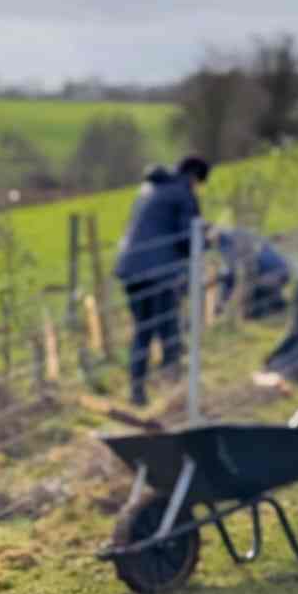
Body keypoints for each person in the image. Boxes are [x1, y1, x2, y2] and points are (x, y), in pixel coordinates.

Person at [114, 154, 210, 406]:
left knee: (142, 331)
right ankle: (175, 394)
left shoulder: (149, 189)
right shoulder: (183, 194)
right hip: (160, 272)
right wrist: (207, 239)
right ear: (194, 177)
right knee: (168, 330)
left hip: (130, 269)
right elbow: (188, 238)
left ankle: (137, 392)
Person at [215, 229, 292, 319]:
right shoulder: (237, 242)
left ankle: (272, 309)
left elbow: (246, 276)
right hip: (276, 271)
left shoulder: (236, 246)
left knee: (254, 287)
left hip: (275, 273)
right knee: (247, 285)